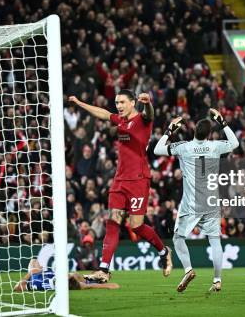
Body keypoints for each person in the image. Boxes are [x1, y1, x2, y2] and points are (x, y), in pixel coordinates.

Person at [68, 90, 172, 283]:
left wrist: (148, 103)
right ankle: (104, 269)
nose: (119, 106)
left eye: (123, 102)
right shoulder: (121, 121)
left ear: (133, 103)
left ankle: (164, 251)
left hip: (139, 180)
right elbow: (104, 113)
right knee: (113, 222)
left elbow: (150, 114)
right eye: (117, 102)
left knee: (136, 226)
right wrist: (80, 102)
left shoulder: (142, 120)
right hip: (119, 180)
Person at [154, 108, 239, 292]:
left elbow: (157, 149)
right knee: (215, 241)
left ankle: (188, 269)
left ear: (194, 131)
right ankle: (217, 280)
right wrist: (222, 121)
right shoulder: (216, 146)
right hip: (211, 202)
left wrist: (170, 129)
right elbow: (235, 142)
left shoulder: (184, 147)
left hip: (191, 204)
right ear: (209, 134)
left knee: (178, 238)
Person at [13, 258, 119, 292]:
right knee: (76, 275)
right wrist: (107, 286)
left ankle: (93, 278)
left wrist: (29, 274)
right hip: (50, 277)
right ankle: (93, 278)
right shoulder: (39, 279)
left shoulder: (33, 282)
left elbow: (16, 287)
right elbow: (89, 286)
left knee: (33, 260)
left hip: (43, 276)